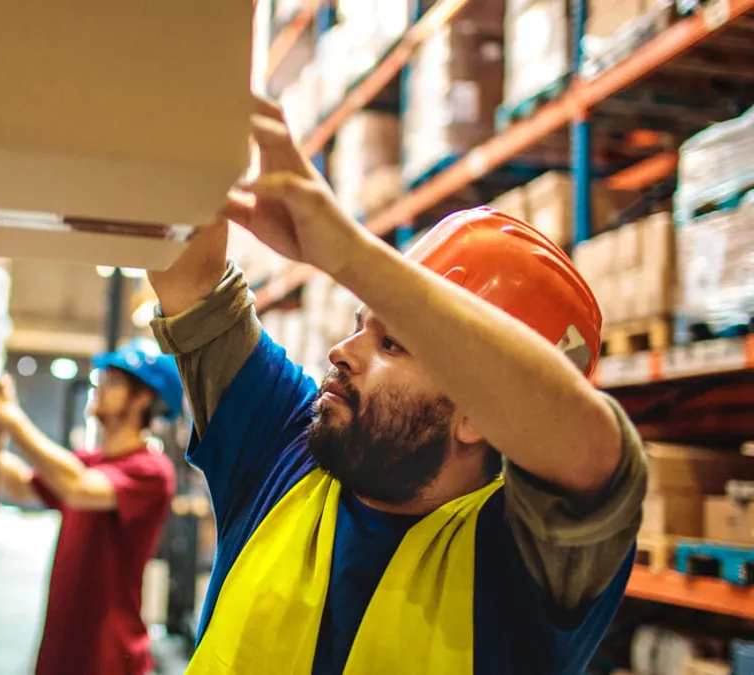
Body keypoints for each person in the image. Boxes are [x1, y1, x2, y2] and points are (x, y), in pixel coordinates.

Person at [144, 97, 647, 674]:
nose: (341, 352)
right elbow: (193, 276)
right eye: (360, 326)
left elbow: (591, 453)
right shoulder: (284, 446)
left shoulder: (526, 562)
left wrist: (351, 254)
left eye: (392, 344)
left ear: (478, 413)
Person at [0, 338, 184, 675]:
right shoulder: (89, 461)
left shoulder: (151, 471)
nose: (100, 387)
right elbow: (20, 484)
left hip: (108, 658)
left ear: (144, 398)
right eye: (102, 379)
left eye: (114, 382)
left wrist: (12, 421)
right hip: (63, 647)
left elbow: (78, 488)